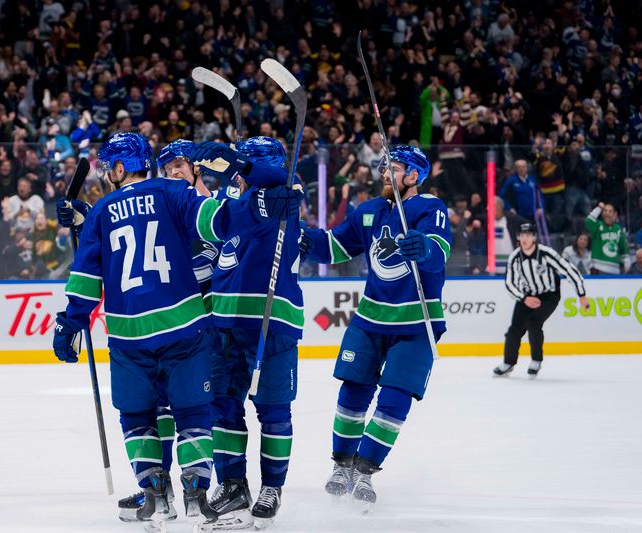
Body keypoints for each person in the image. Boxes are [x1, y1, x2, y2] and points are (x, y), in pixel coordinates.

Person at [51, 132, 300, 531]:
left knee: (137, 415)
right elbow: (218, 221)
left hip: (129, 335)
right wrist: (259, 210)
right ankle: (197, 494)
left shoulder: (102, 209)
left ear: (119, 168)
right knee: (193, 412)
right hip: (185, 327)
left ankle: (154, 495)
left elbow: (86, 275)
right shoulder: (173, 193)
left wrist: (71, 321)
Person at [300, 145, 452, 511]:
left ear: (414, 175)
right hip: (369, 320)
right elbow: (335, 247)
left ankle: (365, 470)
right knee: (353, 392)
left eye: (394, 169)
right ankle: (342, 466)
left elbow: (439, 248)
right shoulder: (368, 211)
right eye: (384, 168)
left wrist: (424, 249)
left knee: (395, 399)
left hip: (417, 324)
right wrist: (300, 236)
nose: (384, 174)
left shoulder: (430, 207)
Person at [191, 137, 302, 529]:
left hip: (272, 321)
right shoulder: (233, 202)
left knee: (272, 411)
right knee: (222, 406)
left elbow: (278, 179)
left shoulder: (284, 194)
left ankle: (272, 486)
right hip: (225, 322)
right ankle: (233, 484)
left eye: (246, 165)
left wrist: (242, 165)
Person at [494, 223, 589, 378]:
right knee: (514, 329)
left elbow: (569, 270)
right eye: (522, 235)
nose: (525, 239)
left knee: (534, 323)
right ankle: (508, 363)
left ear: (534, 237)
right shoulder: (515, 257)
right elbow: (509, 283)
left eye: (528, 235)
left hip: (549, 296)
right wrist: (524, 298)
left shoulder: (546, 253)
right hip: (527, 296)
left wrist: (581, 294)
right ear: (518, 237)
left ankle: (536, 360)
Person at [585, 202, 629, 274]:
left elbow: (623, 248)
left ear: (615, 214)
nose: (607, 213)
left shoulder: (618, 229)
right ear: (602, 214)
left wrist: (627, 262)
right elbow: (588, 221)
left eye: (610, 211)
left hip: (615, 269)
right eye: (605, 211)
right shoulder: (597, 226)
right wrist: (599, 208)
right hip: (598, 268)